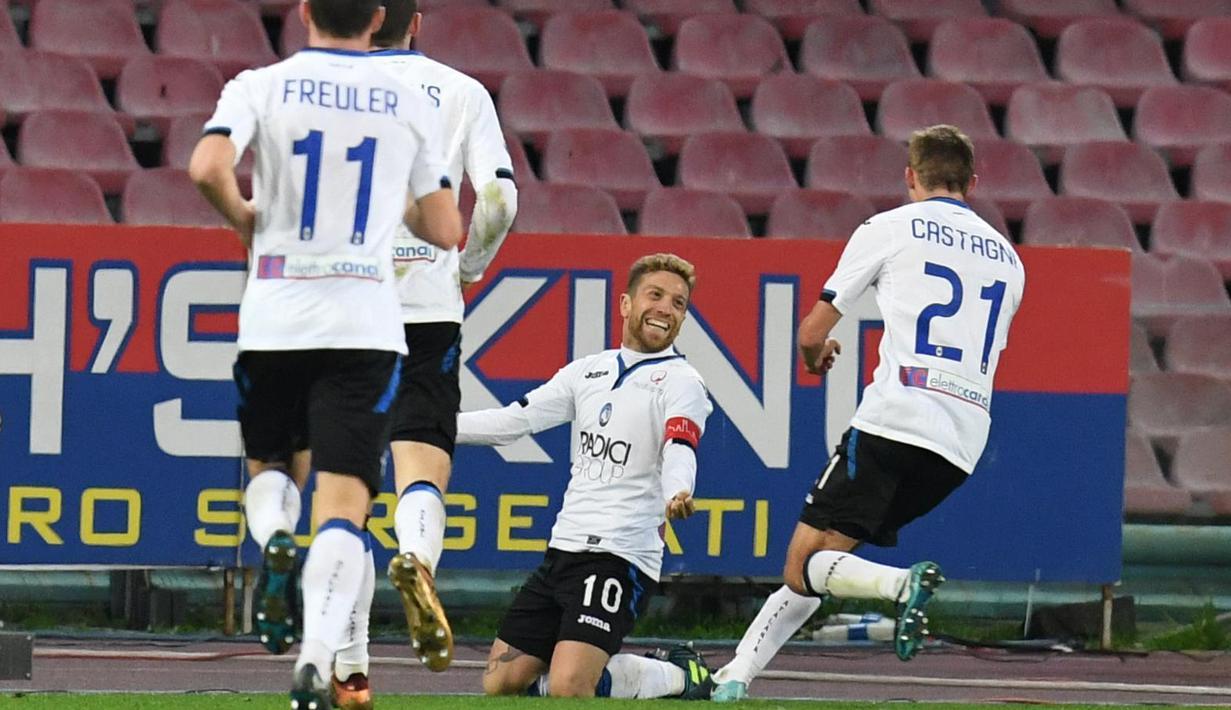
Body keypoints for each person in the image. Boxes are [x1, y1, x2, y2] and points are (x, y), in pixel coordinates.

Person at [188, 0, 462, 706]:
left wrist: (247, 222)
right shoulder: (406, 100)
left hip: (277, 318)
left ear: (304, 10)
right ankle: (315, 661)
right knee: (343, 508)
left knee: (272, 468)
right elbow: (444, 227)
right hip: (364, 325)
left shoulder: (260, 85)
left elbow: (206, 166)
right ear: (379, 17)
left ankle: (275, 536)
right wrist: (393, 205)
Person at [711, 125, 1026, 702]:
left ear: (910, 176)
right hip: (960, 444)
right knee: (826, 560)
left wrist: (816, 358)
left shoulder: (889, 228)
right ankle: (735, 676)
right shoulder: (1009, 260)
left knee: (802, 563)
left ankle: (902, 586)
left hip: (895, 420)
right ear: (973, 182)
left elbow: (812, 332)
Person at [326, 2, 519, 705]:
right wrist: (467, 266)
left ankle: (350, 668)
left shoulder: (317, 89)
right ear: (416, 20)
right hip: (427, 307)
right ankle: (417, 558)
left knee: (345, 492)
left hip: (343, 307)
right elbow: (498, 199)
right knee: (421, 463)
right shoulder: (462, 91)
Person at [461, 253, 717, 700]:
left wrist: (679, 489)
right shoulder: (588, 371)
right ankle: (594, 669)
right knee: (500, 683)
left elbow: (680, 445)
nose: (666, 309)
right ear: (626, 304)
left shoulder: (683, 382)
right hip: (564, 549)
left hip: (620, 555)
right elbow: (512, 422)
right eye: (655, 295)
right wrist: (429, 428)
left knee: (569, 687)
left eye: (678, 303)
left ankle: (680, 675)